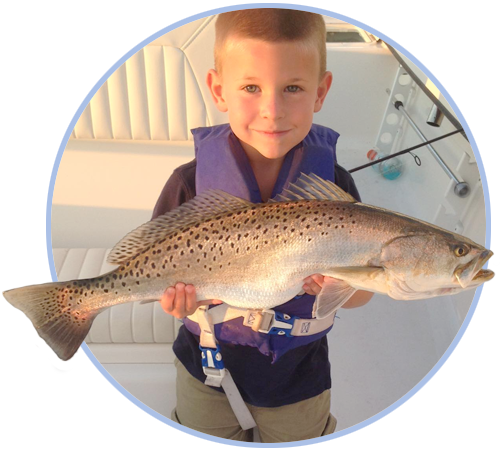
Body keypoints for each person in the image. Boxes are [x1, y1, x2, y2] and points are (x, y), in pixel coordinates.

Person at [151, 8, 373, 443]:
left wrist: (337, 284)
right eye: (251, 88)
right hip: (205, 363)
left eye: (292, 88)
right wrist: (174, 301)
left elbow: (363, 293)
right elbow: (153, 270)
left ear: (320, 92)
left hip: (299, 375)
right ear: (219, 89)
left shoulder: (336, 188)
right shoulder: (188, 183)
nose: (272, 111)